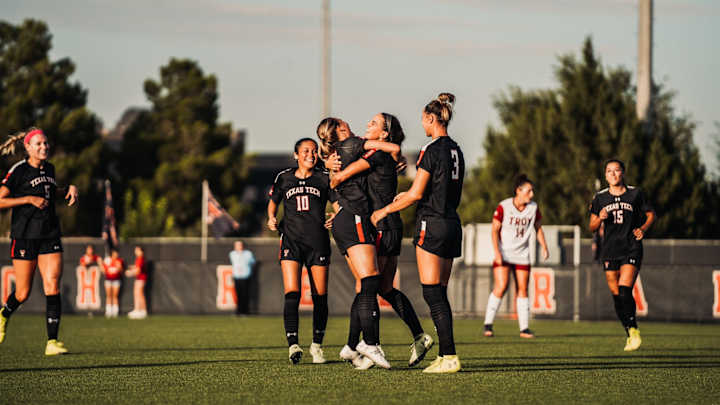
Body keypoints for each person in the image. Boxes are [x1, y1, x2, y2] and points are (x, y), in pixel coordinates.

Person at [326, 112, 433, 367]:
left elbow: (340, 178)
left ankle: (357, 346)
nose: (367, 125)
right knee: (382, 288)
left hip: (381, 223)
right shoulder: (379, 154)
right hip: (390, 224)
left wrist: (332, 172)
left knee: (368, 286)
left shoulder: (375, 154)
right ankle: (416, 336)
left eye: (373, 123)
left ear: (384, 134)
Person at [371, 92, 465, 374]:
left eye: (423, 120)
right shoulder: (456, 150)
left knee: (431, 293)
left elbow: (416, 193)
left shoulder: (431, 149)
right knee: (441, 293)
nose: (422, 126)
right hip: (452, 223)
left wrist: (384, 211)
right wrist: (404, 196)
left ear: (430, 118)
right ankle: (447, 355)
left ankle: (449, 356)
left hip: (432, 224)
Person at [317, 118, 399, 370]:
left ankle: (353, 346)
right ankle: (369, 343)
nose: (351, 122)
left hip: (345, 218)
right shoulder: (353, 143)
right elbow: (392, 149)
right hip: (354, 216)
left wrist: (327, 164)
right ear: (341, 130)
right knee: (371, 280)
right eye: (344, 122)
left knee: (367, 283)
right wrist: (394, 155)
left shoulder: (340, 152)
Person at [0, 128, 79, 355]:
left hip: (49, 234)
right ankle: (3, 315)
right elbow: (1, 200)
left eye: (46, 144)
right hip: (25, 236)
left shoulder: (50, 168)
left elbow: (50, 191)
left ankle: (52, 342)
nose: (44, 147)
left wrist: (68, 190)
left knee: (52, 284)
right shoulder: (19, 171)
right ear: (28, 147)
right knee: (22, 293)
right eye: (39, 144)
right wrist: (27, 199)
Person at [267, 138, 332, 364]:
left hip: (318, 243)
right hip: (291, 241)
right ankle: (293, 344)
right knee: (292, 293)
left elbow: (338, 203)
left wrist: (336, 215)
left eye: (314, 151)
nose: (311, 155)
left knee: (319, 297)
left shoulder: (324, 177)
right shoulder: (283, 177)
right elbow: (273, 202)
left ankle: (317, 345)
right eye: (306, 151)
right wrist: (271, 218)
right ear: (296, 155)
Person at [589, 159, 655, 351]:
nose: (613, 174)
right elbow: (592, 226)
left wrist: (643, 228)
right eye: (609, 171)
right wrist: (599, 219)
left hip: (631, 247)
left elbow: (651, 214)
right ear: (605, 175)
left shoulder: (636, 193)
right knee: (617, 295)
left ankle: (634, 330)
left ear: (623, 172)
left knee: (625, 289)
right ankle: (628, 331)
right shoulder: (600, 198)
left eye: (616, 170)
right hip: (610, 250)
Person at [483, 174, 549, 339]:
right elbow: (494, 230)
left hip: (522, 254)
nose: (531, 194)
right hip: (504, 252)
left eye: (532, 191)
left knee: (523, 289)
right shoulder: (504, 206)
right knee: (501, 286)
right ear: (518, 191)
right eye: (528, 190)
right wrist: (497, 252)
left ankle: (524, 328)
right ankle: (488, 324)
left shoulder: (533, 208)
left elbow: (538, 228)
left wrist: (544, 246)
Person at [228, 241, 255, 316]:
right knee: (238, 295)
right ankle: (238, 311)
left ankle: (245, 311)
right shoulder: (232, 254)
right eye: (236, 245)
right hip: (236, 276)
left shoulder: (248, 254)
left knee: (245, 294)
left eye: (239, 245)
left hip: (245, 276)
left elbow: (253, 262)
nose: (238, 246)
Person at [126, 245, 149, 319]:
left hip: (141, 279)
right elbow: (138, 267)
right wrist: (132, 267)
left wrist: (130, 272)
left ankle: (140, 310)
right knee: (138, 294)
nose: (135, 251)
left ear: (141, 251)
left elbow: (138, 271)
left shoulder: (140, 258)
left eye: (137, 250)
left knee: (139, 294)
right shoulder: (140, 259)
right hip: (140, 279)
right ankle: (140, 310)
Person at [102, 248, 125, 318]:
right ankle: (108, 311)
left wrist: (119, 267)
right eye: (114, 254)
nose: (116, 255)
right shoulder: (107, 261)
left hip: (116, 280)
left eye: (116, 254)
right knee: (109, 296)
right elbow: (104, 271)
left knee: (115, 296)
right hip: (108, 280)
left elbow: (122, 271)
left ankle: (115, 311)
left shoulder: (120, 261)